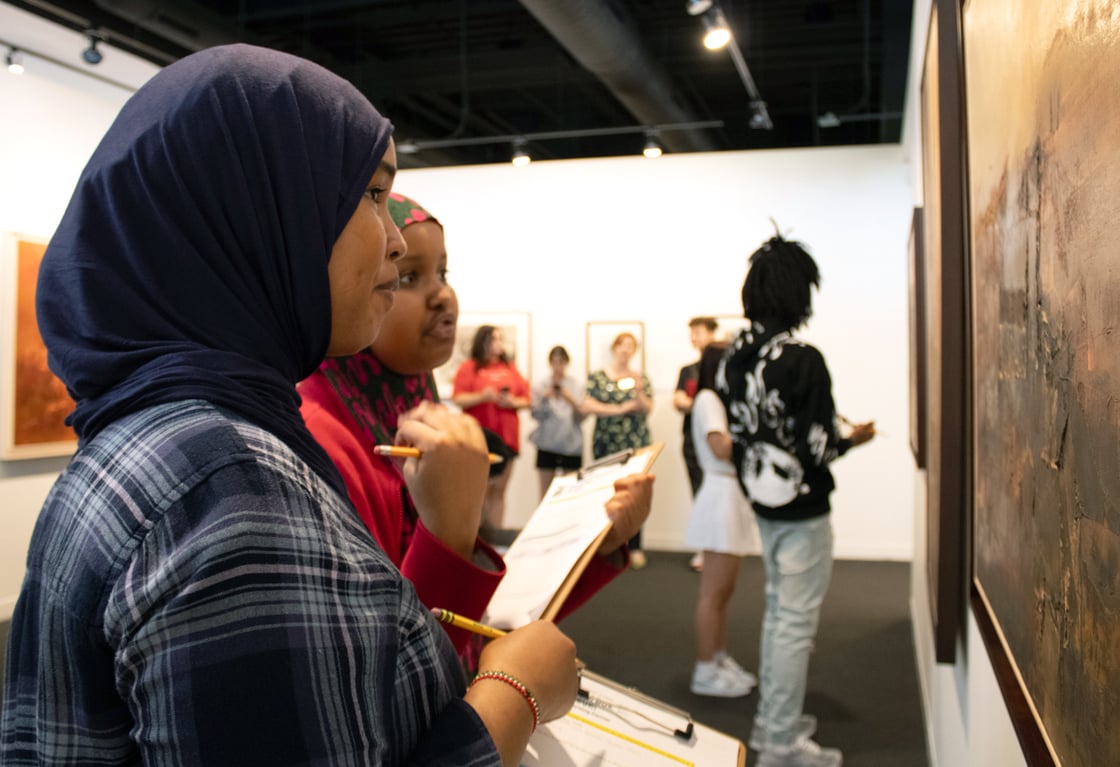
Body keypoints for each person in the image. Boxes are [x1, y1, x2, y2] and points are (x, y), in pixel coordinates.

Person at [0, 44, 578, 766]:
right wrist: (513, 692)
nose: (395, 243)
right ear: (259, 211)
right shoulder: (227, 493)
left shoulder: (158, 439)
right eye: (370, 195)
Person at [300, 194, 652, 656]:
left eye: (443, 274)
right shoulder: (320, 436)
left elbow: (480, 620)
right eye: (407, 276)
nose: (443, 294)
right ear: (349, 282)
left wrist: (598, 545)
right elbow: (380, 667)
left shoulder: (410, 409)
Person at [718, 233, 875, 767]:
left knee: (778, 612)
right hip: (803, 508)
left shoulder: (734, 356)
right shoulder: (803, 358)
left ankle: (773, 723)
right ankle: (780, 743)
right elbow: (819, 447)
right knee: (793, 620)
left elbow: (743, 428)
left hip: (763, 499)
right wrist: (855, 438)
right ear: (799, 293)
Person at [686, 342, 759, 698]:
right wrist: (759, 438)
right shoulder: (709, 399)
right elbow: (720, 447)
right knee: (713, 594)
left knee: (723, 593)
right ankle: (705, 669)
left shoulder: (717, 400)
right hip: (721, 497)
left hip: (730, 496)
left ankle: (717, 658)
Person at [583, 331, 653, 568]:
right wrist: (621, 408)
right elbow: (588, 405)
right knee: (604, 491)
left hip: (635, 442)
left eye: (630, 346)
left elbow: (647, 408)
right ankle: (605, 546)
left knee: (635, 492)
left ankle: (634, 546)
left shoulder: (639, 377)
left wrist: (639, 390)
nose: (626, 350)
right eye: (622, 345)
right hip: (606, 441)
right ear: (615, 348)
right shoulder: (599, 376)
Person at [452, 325, 530, 533]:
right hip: (479, 439)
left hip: (508, 438)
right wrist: (482, 396)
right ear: (483, 341)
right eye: (494, 339)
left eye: (500, 339)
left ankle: (495, 535)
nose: (498, 344)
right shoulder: (469, 367)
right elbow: (458, 398)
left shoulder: (510, 368)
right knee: (480, 491)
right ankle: (478, 536)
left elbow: (526, 399)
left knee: (499, 490)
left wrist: (512, 401)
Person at [674, 316, 719, 572]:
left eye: (699, 332)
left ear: (712, 334)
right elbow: (678, 400)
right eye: (692, 333)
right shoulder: (688, 370)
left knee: (718, 494)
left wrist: (696, 407)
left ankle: (720, 546)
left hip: (716, 442)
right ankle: (704, 548)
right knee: (699, 493)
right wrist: (701, 407)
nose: (694, 337)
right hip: (692, 440)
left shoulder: (725, 368)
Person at [529, 345, 586, 498]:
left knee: (571, 491)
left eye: (561, 362)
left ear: (566, 363)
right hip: (547, 442)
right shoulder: (541, 386)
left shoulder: (576, 385)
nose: (558, 366)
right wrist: (545, 398)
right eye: (554, 361)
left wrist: (569, 398)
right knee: (546, 493)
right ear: (550, 363)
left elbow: (582, 414)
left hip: (571, 442)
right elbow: (534, 414)